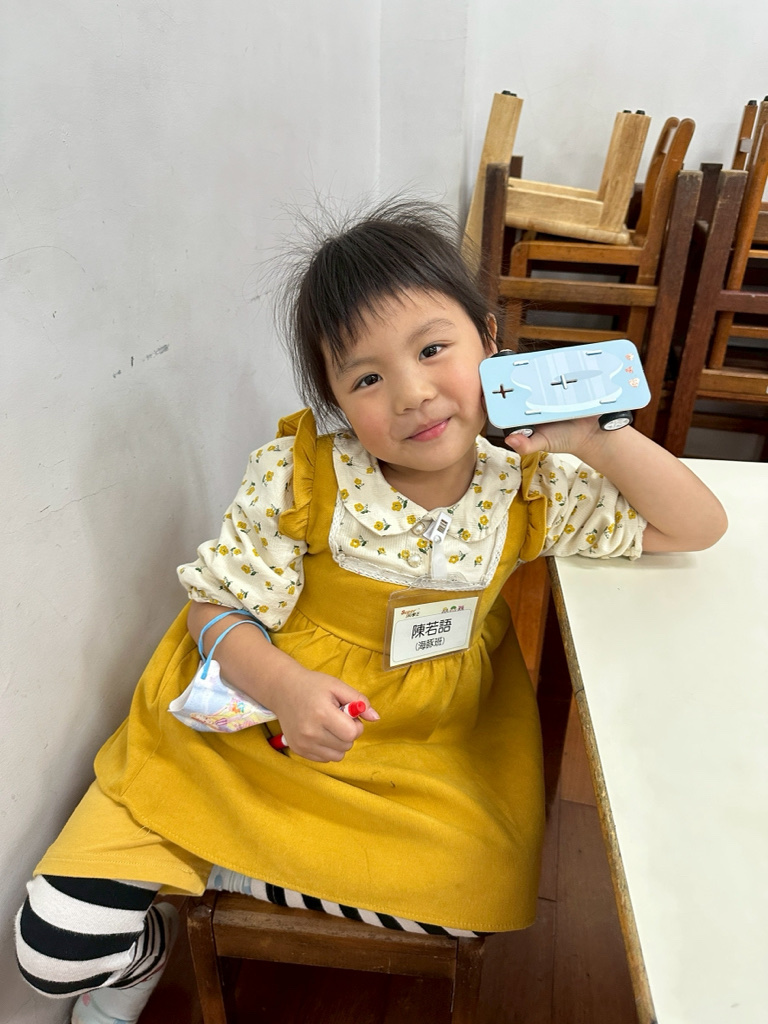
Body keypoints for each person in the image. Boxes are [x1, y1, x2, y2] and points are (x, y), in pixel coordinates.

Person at [15, 200, 727, 1024]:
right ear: (336, 399)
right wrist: (283, 686)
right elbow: (213, 613)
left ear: (490, 341)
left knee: (476, 898)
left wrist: (597, 437)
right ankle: (153, 944)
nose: (414, 394)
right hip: (256, 733)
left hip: (421, 755)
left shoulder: (530, 490)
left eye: (433, 349)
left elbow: (695, 527)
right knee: (54, 947)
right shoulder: (299, 476)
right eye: (366, 378)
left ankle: (216, 870)